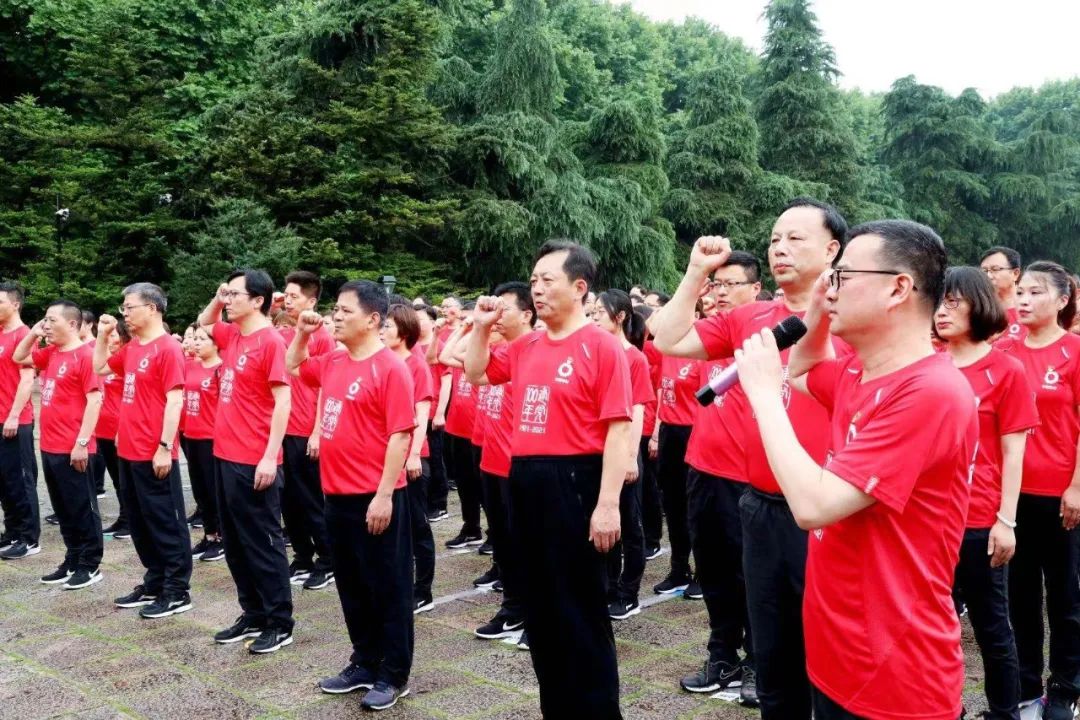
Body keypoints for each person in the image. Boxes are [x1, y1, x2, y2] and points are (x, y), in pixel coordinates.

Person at [736, 219, 976, 720]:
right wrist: (818, 311)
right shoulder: (858, 371)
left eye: (843, 277)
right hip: (839, 653)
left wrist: (763, 394)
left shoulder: (930, 392)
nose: (830, 287)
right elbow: (803, 371)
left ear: (898, 288)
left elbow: (813, 506)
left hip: (894, 675)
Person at [652, 198, 849, 718]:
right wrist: (697, 271)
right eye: (775, 238)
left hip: (828, 509)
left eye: (795, 238)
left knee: (828, 652)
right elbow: (668, 337)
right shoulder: (751, 318)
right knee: (771, 647)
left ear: (832, 249)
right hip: (758, 502)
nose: (780, 248)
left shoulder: (855, 320)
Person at [464, 240, 632, 719]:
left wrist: (608, 504)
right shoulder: (526, 346)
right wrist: (481, 327)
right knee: (540, 607)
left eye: (547, 280)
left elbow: (619, 429)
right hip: (526, 480)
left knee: (580, 608)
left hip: (576, 481)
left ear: (579, 287)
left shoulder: (602, 346)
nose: (536, 289)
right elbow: (476, 372)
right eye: (533, 280)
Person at [288, 281, 416, 711]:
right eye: (335, 310)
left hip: (375, 497)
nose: (336, 316)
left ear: (373, 319)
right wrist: (303, 333)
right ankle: (364, 661)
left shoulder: (390, 368)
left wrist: (384, 495)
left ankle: (394, 673)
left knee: (388, 586)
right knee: (352, 585)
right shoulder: (334, 361)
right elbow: (293, 365)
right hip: (336, 494)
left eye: (345, 310)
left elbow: (401, 435)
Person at [935, 266, 1037, 720]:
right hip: (927, 521)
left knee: (992, 628)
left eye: (953, 302)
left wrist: (1006, 520)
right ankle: (942, 709)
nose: (942, 312)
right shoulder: (926, 363)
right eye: (938, 302)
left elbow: (1013, 453)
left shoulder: (1006, 370)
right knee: (931, 627)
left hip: (977, 521)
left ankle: (1004, 712)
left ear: (979, 306)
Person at [996, 261, 1080, 719]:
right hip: (1012, 496)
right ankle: (1027, 684)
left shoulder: (1075, 351)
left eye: (1036, 293)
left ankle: (1065, 687)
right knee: (1021, 595)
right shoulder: (1005, 349)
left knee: (1065, 596)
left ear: (1063, 300)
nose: (1023, 301)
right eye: (1021, 292)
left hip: (1061, 495)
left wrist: (1077, 486)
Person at [196, 270, 294, 654]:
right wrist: (219, 296)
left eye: (236, 294)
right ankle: (252, 613)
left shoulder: (270, 341)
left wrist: (270, 456)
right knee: (235, 544)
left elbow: (283, 401)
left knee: (263, 544)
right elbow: (205, 321)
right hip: (224, 454)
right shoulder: (234, 334)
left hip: (253, 459)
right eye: (227, 294)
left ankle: (279, 622)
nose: (228, 300)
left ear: (258, 300)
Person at [681, 251, 761, 702]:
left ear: (756, 290)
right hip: (702, 470)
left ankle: (758, 661)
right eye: (718, 284)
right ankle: (722, 653)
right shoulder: (711, 338)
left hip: (746, 478)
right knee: (711, 571)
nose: (722, 292)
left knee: (750, 575)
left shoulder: (770, 339)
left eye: (733, 284)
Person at [94, 284, 191, 619]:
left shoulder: (168, 349)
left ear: (152, 308)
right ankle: (155, 581)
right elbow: (101, 368)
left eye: (129, 307)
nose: (124, 313)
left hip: (154, 451)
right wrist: (102, 335)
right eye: (123, 307)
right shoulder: (134, 347)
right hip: (129, 450)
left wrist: (165, 446)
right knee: (140, 521)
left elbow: (175, 400)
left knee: (165, 522)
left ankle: (177, 590)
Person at [13, 301, 103, 589]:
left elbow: (95, 400)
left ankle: (90, 564)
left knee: (82, 508)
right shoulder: (51, 353)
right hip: (50, 445)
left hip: (74, 447)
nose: (47, 325)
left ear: (73, 324)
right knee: (63, 508)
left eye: (52, 320)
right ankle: (73, 558)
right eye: (45, 320)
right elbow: (18, 356)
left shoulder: (86, 355)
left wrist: (82, 442)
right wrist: (33, 333)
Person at [472, 282, 535, 645]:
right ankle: (512, 609)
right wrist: (479, 326)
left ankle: (535, 616)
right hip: (492, 463)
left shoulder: (536, 351)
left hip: (520, 467)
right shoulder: (503, 352)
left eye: (504, 309)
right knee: (504, 545)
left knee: (528, 546)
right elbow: (473, 372)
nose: (497, 316)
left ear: (527, 314)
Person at [592, 289, 651, 621]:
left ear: (620, 316)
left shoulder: (634, 358)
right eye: (592, 313)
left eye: (600, 312)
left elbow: (637, 410)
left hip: (624, 450)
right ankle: (609, 587)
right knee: (606, 524)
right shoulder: (595, 353)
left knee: (629, 525)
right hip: (600, 450)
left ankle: (629, 593)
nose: (594, 318)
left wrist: (630, 456)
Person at [277, 271, 336, 590]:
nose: (287, 300)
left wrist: (317, 431)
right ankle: (302, 556)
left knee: (311, 500)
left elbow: (326, 386)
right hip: (282, 429)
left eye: (294, 296)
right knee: (288, 500)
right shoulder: (284, 332)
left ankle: (328, 559)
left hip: (305, 429)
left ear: (312, 301)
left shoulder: (322, 336)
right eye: (285, 294)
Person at [381, 304, 436, 614]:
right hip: (387, 457)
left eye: (388, 326)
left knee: (417, 526)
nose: (382, 332)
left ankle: (423, 590)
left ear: (403, 332)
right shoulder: (383, 361)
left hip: (412, 457)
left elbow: (421, 412)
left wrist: (414, 454)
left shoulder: (416, 365)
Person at [0, 282, 40, 560]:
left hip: (16, 419)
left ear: (15, 304)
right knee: (4, 481)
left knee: (20, 480)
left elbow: (27, 380)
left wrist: (14, 415)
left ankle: (28, 538)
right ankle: (12, 531)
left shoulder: (24, 335)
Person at [185, 326, 224, 563]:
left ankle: (221, 537)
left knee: (213, 490)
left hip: (213, 439)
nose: (196, 343)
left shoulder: (221, 369)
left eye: (202, 339)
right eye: (195, 339)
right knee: (200, 490)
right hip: (192, 436)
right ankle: (209, 535)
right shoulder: (190, 366)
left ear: (216, 343)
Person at [417, 306, 450, 523]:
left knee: (436, 458)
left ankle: (439, 504)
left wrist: (440, 413)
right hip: (417, 412)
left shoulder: (440, 346)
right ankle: (425, 502)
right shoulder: (411, 344)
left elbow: (447, 380)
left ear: (432, 322)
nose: (416, 322)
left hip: (432, 410)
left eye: (420, 319)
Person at [96, 323, 128, 539]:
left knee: (124, 479)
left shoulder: (126, 360)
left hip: (119, 428)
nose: (109, 339)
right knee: (116, 480)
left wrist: (122, 428)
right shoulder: (110, 362)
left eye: (113, 335)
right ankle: (124, 517)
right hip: (104, 429)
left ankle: (131, 520)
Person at [981, 246, 1026, 341]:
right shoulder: (978, 310)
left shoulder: (1031, 308)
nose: (988, 276)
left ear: (1015, 273)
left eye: (995, 269)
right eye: (984, 271)